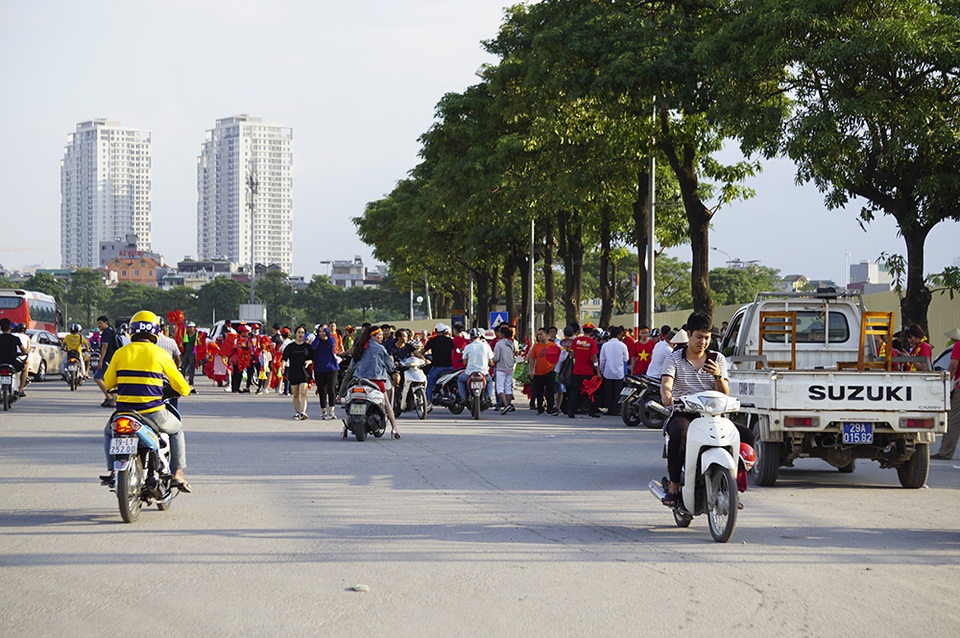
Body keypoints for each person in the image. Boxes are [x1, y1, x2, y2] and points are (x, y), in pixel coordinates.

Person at [659, 312, 754, 507]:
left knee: (747, 436)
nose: (703, 342)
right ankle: (674, 486)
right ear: (688, 334)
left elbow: (725, 392)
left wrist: (718, 376)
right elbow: (666, 383)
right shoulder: (674, 358)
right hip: (684, 413)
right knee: (679, 433)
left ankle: (734, 487)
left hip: (713, 415)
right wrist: (667, 395)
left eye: (707, 338)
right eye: (699, 337)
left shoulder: (717, 359)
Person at [100, 310, 193, 492]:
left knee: (108, 433)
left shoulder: (121, 352)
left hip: (124, 412)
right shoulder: (160, 354)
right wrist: (186, 389)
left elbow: (109, 382)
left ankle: (112, 471)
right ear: (155, 332)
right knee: (177, 430)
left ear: (133, 330)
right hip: (153, 412)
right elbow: (180, 385)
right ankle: (178, 474)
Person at [351, 326, 400, 438]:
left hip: (358, 380)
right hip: (375, 380)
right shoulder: (380, 348)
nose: (381, 337)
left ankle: (345, 425)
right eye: (379, 335)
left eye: (382, 335)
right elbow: (389, 364)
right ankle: (394, 428)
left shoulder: (360, 347)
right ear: (372, 336)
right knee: (387, 403)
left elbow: (352, 364)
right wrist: (393, 369)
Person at [932, 327, 960, 460]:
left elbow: (953, 366)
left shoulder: (958, 346)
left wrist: (947, 381)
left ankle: (945, 452)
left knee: (953, 421)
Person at [567, 323, 600, 419]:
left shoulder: (576, 341)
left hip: (576, 370)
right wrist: (597, 371)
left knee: (574, 391)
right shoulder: (592, 342)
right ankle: (592, 411)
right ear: (591, 331)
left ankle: (571, 410)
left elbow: (572, 355)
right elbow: (594, 358)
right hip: (588, 372)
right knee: (590, 391)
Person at [527, 327, 561, 414]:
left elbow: (557, 358)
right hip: (538, 372)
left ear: (546, 335)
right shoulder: (536, 346)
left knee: (550, 391)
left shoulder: (553, 346)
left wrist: (554, 367)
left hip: (550, 371)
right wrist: (531, 370)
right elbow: (532, 359)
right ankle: (540, 408)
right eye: (538, 335)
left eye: (541, 334)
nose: (539, 336)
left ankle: (550, 408)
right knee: (539, 392)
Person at [282, 325, 312, 420]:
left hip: (304, 372)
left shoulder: (307, 347)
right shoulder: (290, 347)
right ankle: (297, 412)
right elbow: (284, 358)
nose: (300, 334)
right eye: (299, 332)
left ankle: (303, 412)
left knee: (303, 392)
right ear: (295, 334)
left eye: (302, 333)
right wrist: (282, 366)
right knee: (295, 394)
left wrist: (309, 361)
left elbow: (312, 358)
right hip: (293, 372)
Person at [459, 328, 495, 405]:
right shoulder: (486, 346)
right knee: (489, 381)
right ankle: (489, 397)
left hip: (469, 373)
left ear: (471, 337)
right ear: (480, 336)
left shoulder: (467, 347)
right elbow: (491, 362)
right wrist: (490, 364)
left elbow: (464, 363)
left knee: (460, 380)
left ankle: (464, 397)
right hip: (483, 373)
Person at [599, 325, 629, 416]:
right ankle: (617, 410)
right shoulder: (622, 345)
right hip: (619, 373)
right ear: (619, 335)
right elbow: (626, 359)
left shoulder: (605, 345)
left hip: (608, 372)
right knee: (617, 393)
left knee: (609, 393)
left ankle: (610, 409)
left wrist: (602, 371)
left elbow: (602, 360)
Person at [310, 324, 339, 420]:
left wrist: (327, 334)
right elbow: (314, 347)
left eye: (324, 331)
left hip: (331, 368)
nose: (322, 333)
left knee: (331, 389)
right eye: (320, 331)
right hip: (319, 368)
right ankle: (323, 411)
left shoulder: (332, 339)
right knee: (322, 390)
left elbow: (331, 345)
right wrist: (318, 337)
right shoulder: (316, 340)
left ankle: (332, 411)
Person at [424, 323, 455, 404]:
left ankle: (428, 402)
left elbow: (423, 351)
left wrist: (418, 356)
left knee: (429, 386)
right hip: (450, 367)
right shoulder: (450, 340)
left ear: (436, 331)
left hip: (438, 367)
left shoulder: (432, 341)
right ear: (444, 331)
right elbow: (452, 354)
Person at [93, 316, 120, 407]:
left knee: (97, 377)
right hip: (113, 358)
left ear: (106, 322)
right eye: (98, 323)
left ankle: (109, 397)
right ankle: (114, 398)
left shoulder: (106, 333)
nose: (99, 325)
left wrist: (101, 361)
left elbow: (105, 347)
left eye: (100, 323)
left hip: (107, 359)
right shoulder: (112, 331)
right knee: (107, 379)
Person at [0, 318, 30, 397]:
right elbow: (24, 351)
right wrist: (25, 353)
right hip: (12, 363)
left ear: (0, 328)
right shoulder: (15, 339)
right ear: (10, 327)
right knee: (25, 368)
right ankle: (20, 389)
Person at [493, 324, 517, 414]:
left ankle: (506, 405)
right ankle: (508, 404)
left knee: (499, 388)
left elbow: (496, 358)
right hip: (510, 368)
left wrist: (491, 359)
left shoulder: (498, 344)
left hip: (501, 368)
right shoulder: (511, 343)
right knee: (508, 388)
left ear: (502, 334)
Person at [180, 321, 198, 389]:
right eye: (189, 327)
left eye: (192, 327)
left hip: (192, 353)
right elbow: (183, 343)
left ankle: (191, 382)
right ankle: (182, 381)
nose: (191, 329)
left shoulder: (196, 335)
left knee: (191, 368)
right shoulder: (186, 335)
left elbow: (199, 344)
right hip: (186, 353)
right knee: (183, 367)